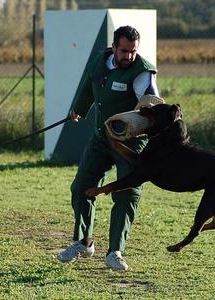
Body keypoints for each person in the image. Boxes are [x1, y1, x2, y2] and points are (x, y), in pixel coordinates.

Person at [57, 26, 159, 271]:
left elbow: (152, 106)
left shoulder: (142, 73)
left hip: (132, 144)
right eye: (124, 51)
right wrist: (78, 110)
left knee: (127, 194)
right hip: (102, 137)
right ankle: (84, 242)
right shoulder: (99, 62)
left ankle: (115, 251)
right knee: (81, 187)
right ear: (114, 47)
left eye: (133, 52)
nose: (129, 56)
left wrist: (149, 117)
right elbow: (88, 86)